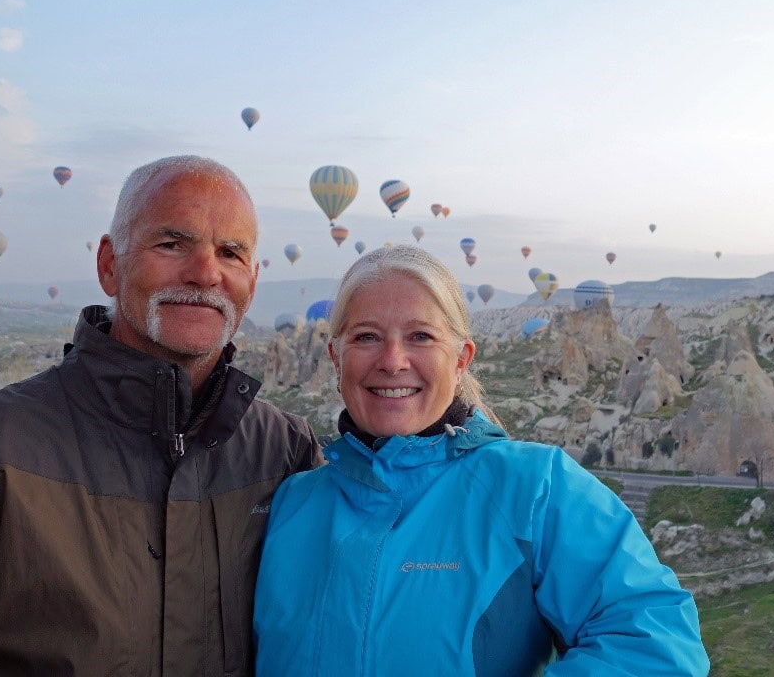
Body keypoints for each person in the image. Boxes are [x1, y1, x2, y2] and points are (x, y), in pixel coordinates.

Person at [0, 155, 320, 675]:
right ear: (110, 265)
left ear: (250, 280)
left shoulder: (286, 451)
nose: (205, 273)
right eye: (172, 244)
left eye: (230, 252)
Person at [253, 245, 709, 676]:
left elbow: (657, 645)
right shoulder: (290, 502)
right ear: (335, 357)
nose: (393, 361)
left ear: (461, 359)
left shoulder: (535, 487)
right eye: (367, 337)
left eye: (420, 336)